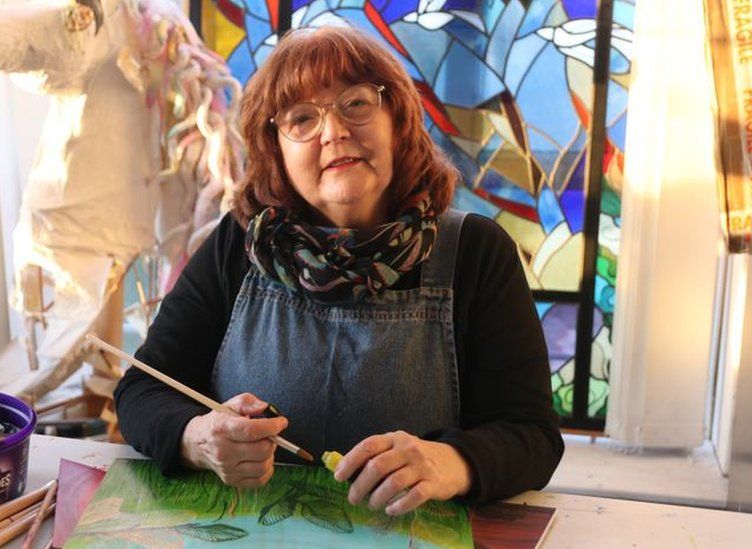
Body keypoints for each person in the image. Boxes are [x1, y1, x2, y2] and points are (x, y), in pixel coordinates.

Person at [114, 26, 563, 515]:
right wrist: (197, 437)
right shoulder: (238, 244)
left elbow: (532, 436)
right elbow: (141, 391)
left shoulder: (476, 251)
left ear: (398, 120)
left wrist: (447, 463)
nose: (334, 131)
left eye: (356, 104)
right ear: (276, 151)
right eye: (302, 118)